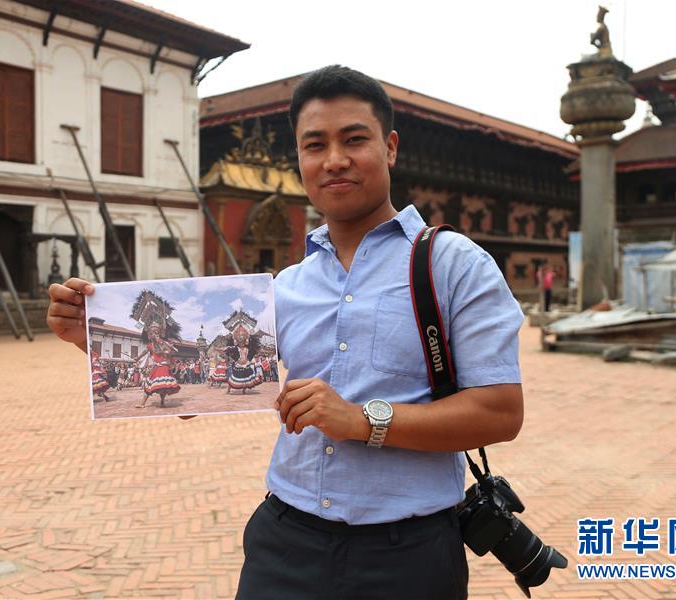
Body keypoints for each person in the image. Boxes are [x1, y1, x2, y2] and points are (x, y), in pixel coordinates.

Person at [46, 65, 524, 599]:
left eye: (354, 139)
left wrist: (362, 420)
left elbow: (500, 412)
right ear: (300, 159)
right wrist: (97, 339)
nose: (334, 159)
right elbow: (208, 392)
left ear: (390, 147)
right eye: (315, 145)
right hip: (286, 542)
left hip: (407, 556)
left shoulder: (454, 265)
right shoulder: (285, 287)